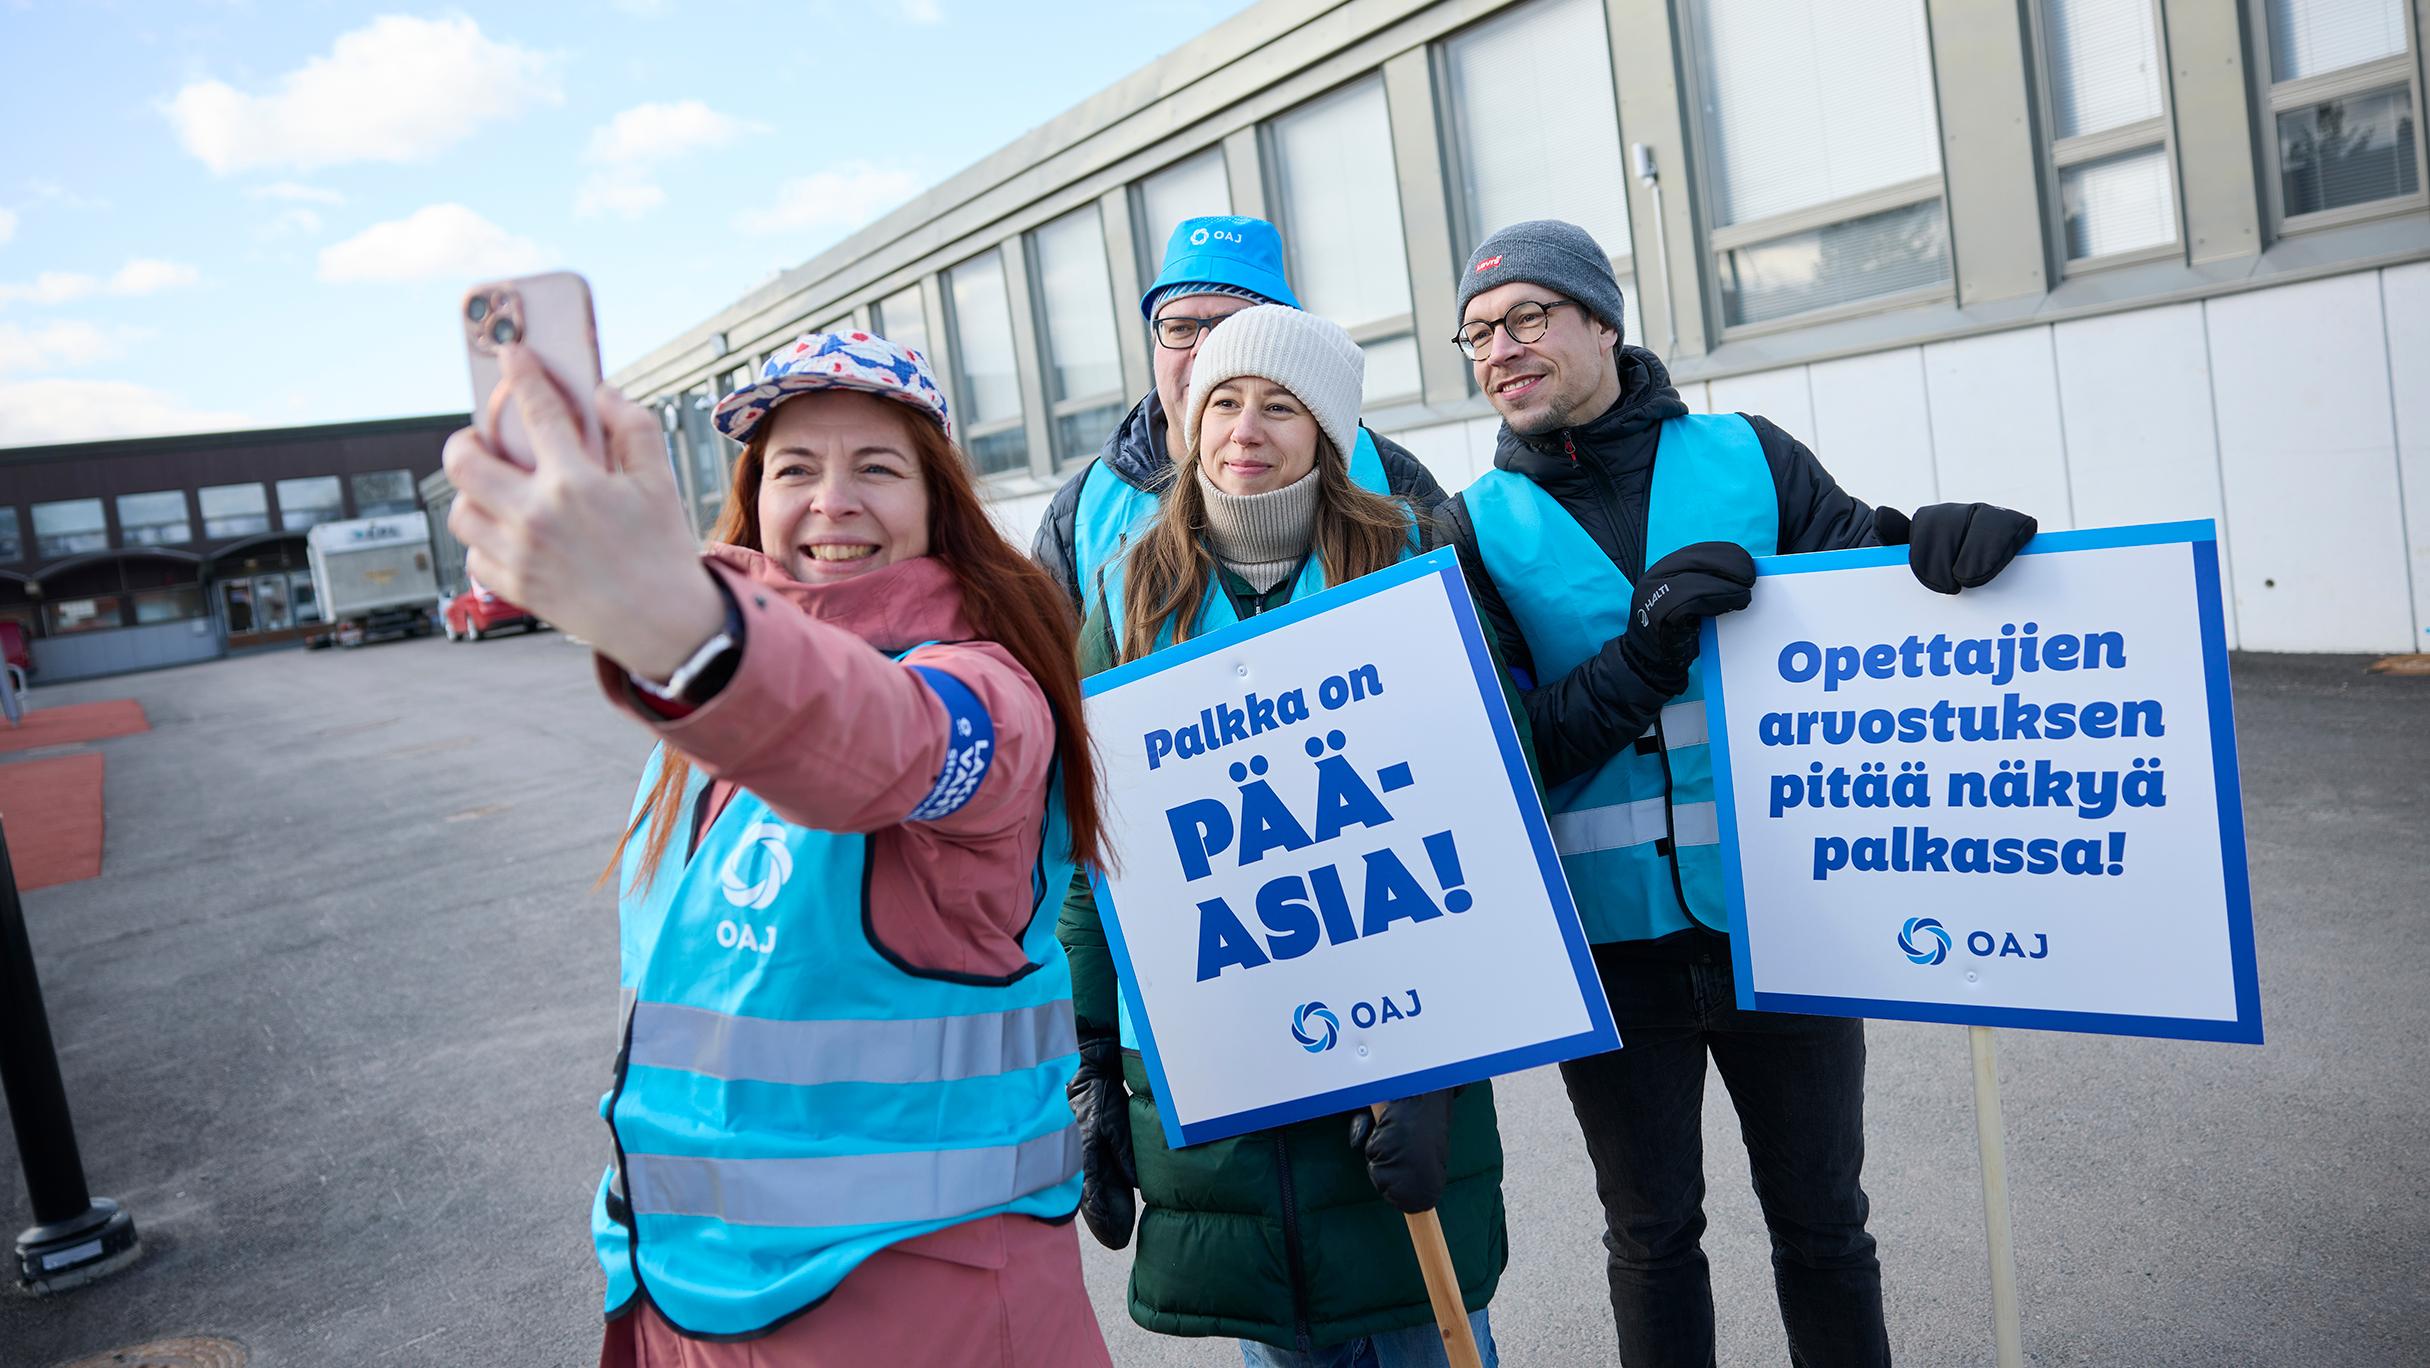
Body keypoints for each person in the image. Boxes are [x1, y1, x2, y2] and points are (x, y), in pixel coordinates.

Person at [442, 331, 1113, 1367]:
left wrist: (682, 625)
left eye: (876, 468)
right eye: (794, 469)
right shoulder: (699, 721)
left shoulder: (986, 696)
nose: (830, 501)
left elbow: (883, 738)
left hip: (919, 1313)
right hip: (677, 1297)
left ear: (940, 502)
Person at [1436, 221, 2037, 1368]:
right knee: (1651, 1237)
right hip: (1614, 951)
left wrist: (1949, 555)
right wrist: (1643, 656)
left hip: (1787, 920)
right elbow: (1509, 753)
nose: (1499, 351)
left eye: (1525, 319)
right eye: (1476, 336)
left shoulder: (1749, 455)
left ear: (1602, 322)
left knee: (1826, 1228)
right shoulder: (1474, 528)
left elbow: (1871, 597)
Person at [1059, 304, 1507, 1368]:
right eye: (1221, 400)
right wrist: (1086, 1061)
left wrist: (1441, 1074)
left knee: (1427, 1337)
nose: (1243, 428)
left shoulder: (1407, 571)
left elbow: (1489, 827)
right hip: (1222, 1080)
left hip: (1396, 1073)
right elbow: (1090, 865)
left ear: (1329, 436)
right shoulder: (1131, 601)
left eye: (1279, 406)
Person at [1031, 215, 1448, 618]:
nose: (1204, 349)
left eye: (1232, 326)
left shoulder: (1394, 479)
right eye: (1179, 328)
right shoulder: (1080, 514)